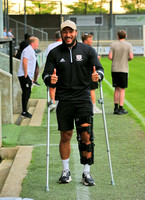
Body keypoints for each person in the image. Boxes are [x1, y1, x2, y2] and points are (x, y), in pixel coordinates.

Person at [42, 20, 104, 186]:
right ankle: (65, 170)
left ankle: (86, 173)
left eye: (71, 32)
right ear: (61, 33)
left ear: (76, 32)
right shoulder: (54, 53)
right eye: (65, 32)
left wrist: (97, 75)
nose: (68, 35)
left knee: (86, 134)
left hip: (83, 98)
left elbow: (99, 69)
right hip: (65, 99)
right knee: (66, 135)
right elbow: (46, 75)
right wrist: (50, 79)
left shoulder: (87, 50)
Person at [108, 30, 133, 115]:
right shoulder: (128, 45)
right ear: (125, 36)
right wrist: (126, 60)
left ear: (118, 36)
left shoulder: (113, 45)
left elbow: (110, 56)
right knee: (122, 89)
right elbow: (131, 57)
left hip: (114, 69)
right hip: (123, 68)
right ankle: (121, 108)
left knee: (116, 89)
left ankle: (115, 108)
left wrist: (115, 59)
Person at [18, 37, 39, 118]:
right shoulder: (28, 50)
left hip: (28, 76)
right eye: (37, 43)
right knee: (26, 93)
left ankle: (25, 110)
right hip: (24, 75)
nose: (38, 45)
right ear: (33, 43)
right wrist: (26, 73)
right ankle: (24, 112)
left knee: (28, 92)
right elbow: (24, 61)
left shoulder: (31, 50)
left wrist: (30, 76)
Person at [82, 33, 102, 114]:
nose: (92, 41)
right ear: (86, 40)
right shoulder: (88, 49)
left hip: (85, 73)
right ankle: (93, 106)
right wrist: (96, 59)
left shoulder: (81, 48)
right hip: (89, 72)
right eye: (90, 39)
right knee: (92, 90)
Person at [46, 30, 62, 111]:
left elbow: (47, 58)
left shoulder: (50, 46)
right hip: (63, 68)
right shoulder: (65, 44)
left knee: (52, 85)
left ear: (55, 37)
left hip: (53, 68)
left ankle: (52, 101)